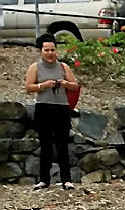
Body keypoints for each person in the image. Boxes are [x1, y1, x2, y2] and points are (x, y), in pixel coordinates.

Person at [24, 33, 79, 191]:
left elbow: (75, 85)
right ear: (41, 51)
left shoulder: (63, 67)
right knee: (45, 144)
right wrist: (43, 85)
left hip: (62, 108)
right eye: (46, 50)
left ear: (56, 50)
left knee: (63, 144)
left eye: (52, 50)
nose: (50, 53)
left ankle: (66, 180)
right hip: (43, 107)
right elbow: (28, 87)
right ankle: (43, 180)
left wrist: (65, 83)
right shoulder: (35, 67)